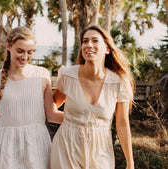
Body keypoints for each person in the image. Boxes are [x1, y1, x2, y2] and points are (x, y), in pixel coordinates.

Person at [50, 26, 135, 169]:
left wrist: (130, 163)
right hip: (66, 146)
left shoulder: (119, 82)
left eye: (95, 41)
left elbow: (122, 124)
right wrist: (73, 121)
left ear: (107, 49)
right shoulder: (68, 76)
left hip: (101, 149)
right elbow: (51, 106)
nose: (89, 45)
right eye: (85, 41)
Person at [0, 26, 63, 169]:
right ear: (8, 46)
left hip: (37, 142)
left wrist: (84, 118)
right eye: (20, 51)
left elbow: (51, 115)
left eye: (30, 52)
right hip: (5, 144)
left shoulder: (42, 74)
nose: (25, 57)